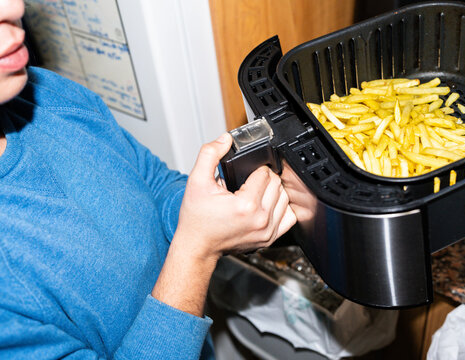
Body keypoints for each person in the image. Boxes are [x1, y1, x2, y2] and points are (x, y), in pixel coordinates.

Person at [0, 0, 297, 359]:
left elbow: (153, 183)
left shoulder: (45, 93)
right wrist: (197, 251)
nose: (14, 6)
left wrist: (218, 210)